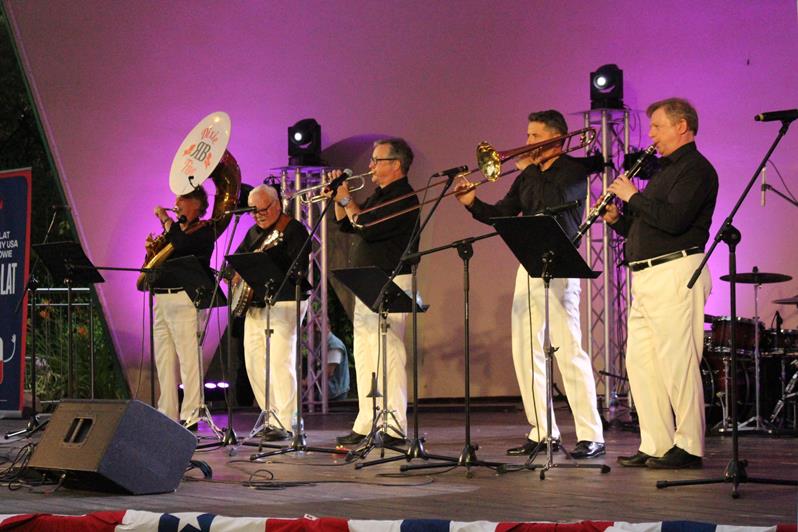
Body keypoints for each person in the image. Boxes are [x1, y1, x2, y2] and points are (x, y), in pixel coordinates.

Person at [454, 110, 605, 459]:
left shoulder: (573, 170)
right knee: (525, 350)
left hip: (562, 264)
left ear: (556, 138)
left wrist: (530, 169)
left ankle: (591, 434)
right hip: (529, 263)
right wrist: (472, 203)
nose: (527, 143)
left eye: (534, 136)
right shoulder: (528, 176)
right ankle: (542, 431)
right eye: (527, 135)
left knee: (568, 350)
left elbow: (555, 202)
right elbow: (504, 214)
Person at [603, 98, 717, 469]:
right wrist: (618, 219)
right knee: (641, 363)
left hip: (675, 271)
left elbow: (674, 220)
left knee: (677, 362)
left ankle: (689, 446)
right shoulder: (664, 171)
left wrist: (633, 196)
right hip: (647, 275)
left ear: (681, 126)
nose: (651, 135)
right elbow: (648, 228)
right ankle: (656, 442)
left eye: (657, 126)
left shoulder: (697, 169)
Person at [324, 138, 419, 447]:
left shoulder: (403, 197)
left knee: (388, 354)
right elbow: (349, 225)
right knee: (365, 354)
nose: (370, 166)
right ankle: (366, 422)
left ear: (396, 164)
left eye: (377, 160)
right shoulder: (380, 195)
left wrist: (346, 198)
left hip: (391, 280)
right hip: (369, 281)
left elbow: (365, 224)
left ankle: (394, 426)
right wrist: (338, 199)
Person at [234, 184, 309, 441]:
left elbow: (298, 268)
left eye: (263, 209)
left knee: (279, 360)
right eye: (253, 211)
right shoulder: (253, 232)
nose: (257, 215)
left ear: (277, 204)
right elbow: (238, 260)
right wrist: (233, 274)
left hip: (284, 300)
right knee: (254, 360)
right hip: (256, 303)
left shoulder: (294, 230)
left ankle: (288, 421)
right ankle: (270, 416)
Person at [150, 187, 214, 426]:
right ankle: (167, 412)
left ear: (196, 205)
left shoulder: (204, 230)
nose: (176, 204)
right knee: (164, 358)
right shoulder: (175, 230)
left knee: (189, 358)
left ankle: (191, 415)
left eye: (182, 200)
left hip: (185, 298)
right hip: (162, 297)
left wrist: (166, 220)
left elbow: (182, 245)